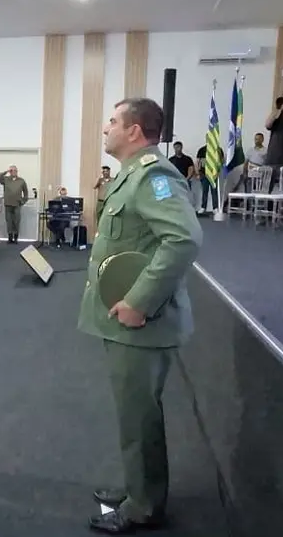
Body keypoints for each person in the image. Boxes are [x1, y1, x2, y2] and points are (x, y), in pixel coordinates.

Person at [77, 98, 202, 534]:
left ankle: (145, 506)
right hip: (126, 319)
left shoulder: (154, 176)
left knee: (139, 415)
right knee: (134, 413)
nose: (105, 128)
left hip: (141, 321)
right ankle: (139, 487)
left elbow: (183, 240)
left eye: (112, 121)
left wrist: (139, 302)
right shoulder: (132, 176)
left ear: (134, 131)